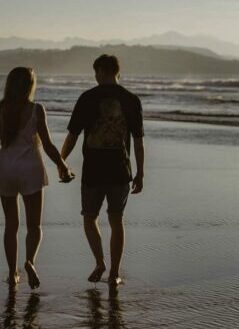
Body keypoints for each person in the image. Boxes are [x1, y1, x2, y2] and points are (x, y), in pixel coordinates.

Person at [0, 67, 74, 288]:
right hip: (30, 170)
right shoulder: (36, 110)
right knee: (34, 226)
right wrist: (63, 166)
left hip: (5, 170)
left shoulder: (0, 110)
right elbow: (49, 145)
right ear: (30, 86)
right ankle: (30, 261)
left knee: (10, 226)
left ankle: (13, 273)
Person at [61, 55, 145, 286]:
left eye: (96, 72)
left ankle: (100, 262)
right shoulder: (130, 99)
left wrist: (61, 161)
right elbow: (138, 141)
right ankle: (115, 273)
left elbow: (73, 136)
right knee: (117, 220)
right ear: (118, 71)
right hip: (120, 169)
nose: (95, 76)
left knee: (90, 218)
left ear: (101, 71)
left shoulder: (87, 98)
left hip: (94, 170)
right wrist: (140, 172)